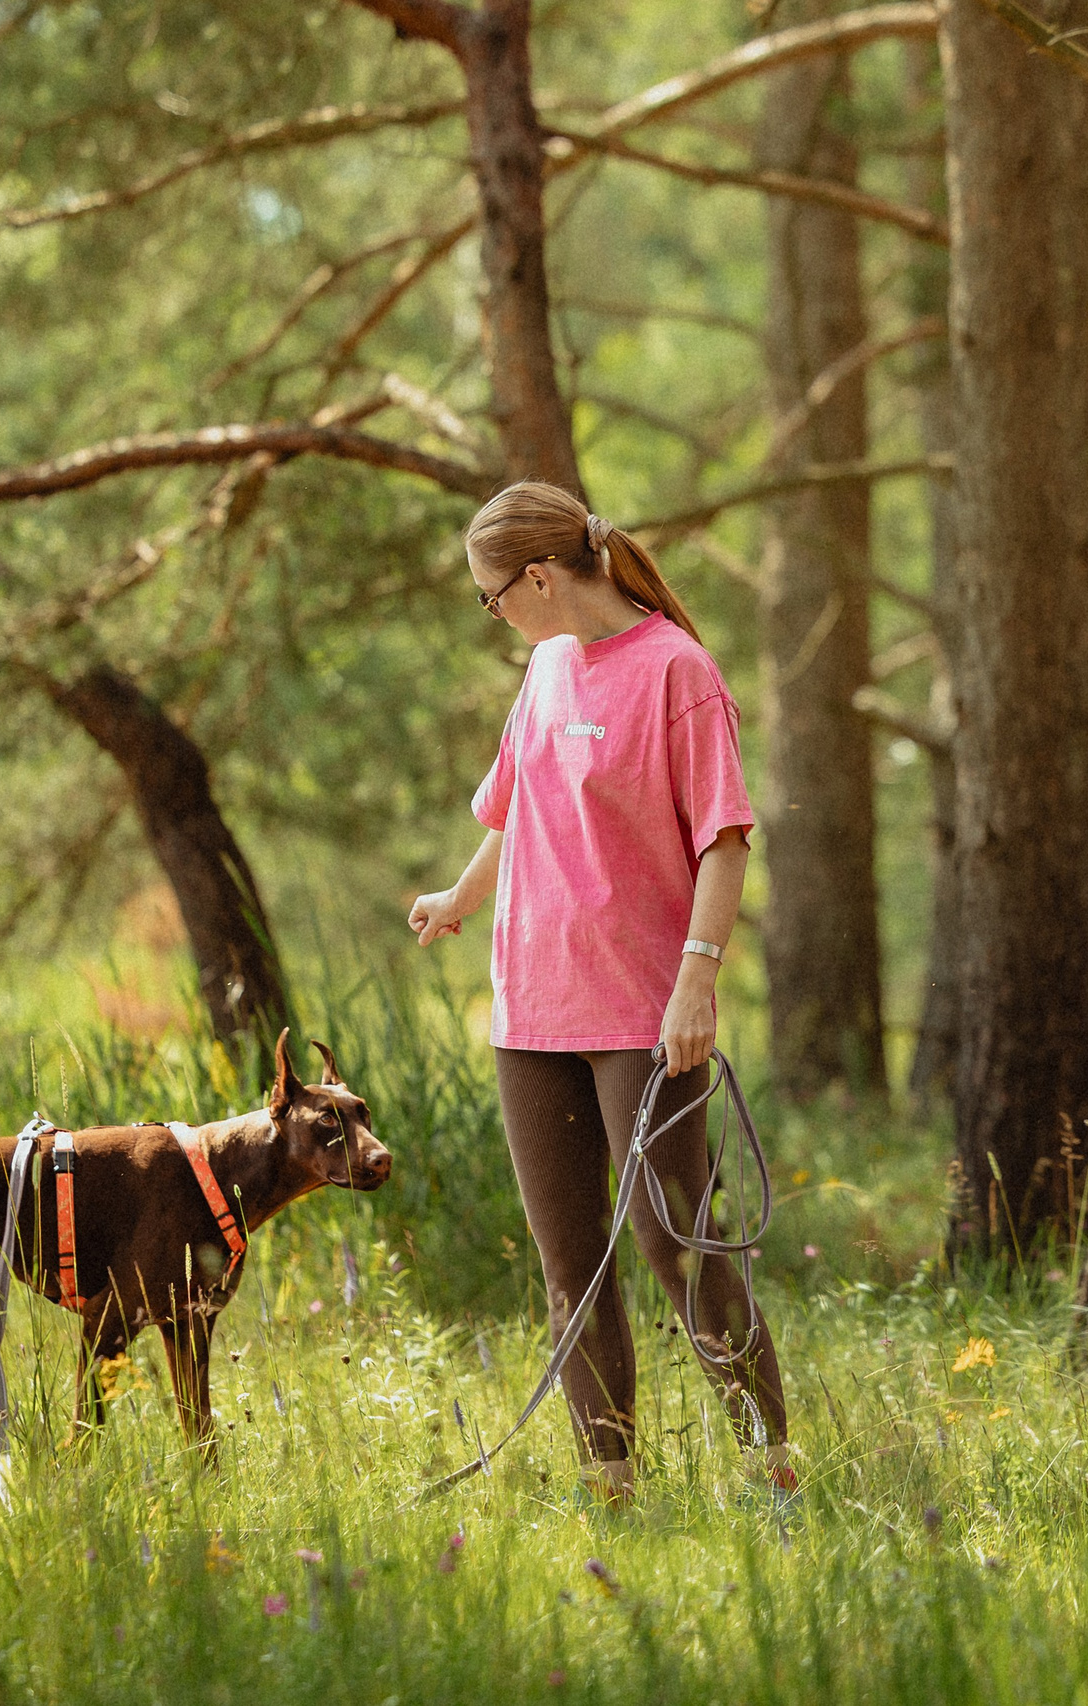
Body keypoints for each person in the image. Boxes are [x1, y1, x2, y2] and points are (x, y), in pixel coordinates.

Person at [410, 480, 791, 1504]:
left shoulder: (677, 670)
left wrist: (696, 981)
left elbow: (724, 837)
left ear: (537, 577)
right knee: (569, 1262)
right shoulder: (543, 668)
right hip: (529, 1008)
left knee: (677, 1242)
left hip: (643, 1012)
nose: (494, 616)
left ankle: (772, 1466)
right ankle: (612, 1485)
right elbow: (516, 806)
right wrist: (458, 893)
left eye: (491, 597)